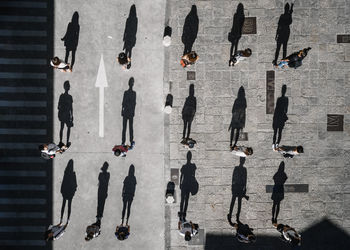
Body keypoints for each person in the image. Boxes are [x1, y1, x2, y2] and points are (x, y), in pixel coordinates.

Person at [228, 157, 249, 223]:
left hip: (238, 187)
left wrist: (244, 187)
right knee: (235, 202)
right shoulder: (240, 169)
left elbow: (244, 179)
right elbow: (233, 178)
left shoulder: (240, 169)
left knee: (236, 202)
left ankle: (234, 216)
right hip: (237, 187)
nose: (243, 161)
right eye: (243, 160)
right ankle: (232, 215)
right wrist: (233, 187)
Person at [272, 85, 288, 151]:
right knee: (280, 132)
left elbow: (276, 109)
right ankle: (277, 144)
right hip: (281, 117)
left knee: (275, 132)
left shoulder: (279, 99)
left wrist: (274, 119)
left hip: (277, 117)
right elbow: (286, 110)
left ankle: (273, 144)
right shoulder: (286, 99)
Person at [58, 81, 73, 148]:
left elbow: (71, 107)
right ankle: (62, 141)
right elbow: (58, 106)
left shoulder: (70, 97)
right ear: (65, 87)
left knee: (66, 128)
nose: (68, 87)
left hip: (66, 114)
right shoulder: (62, 96)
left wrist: (72, 115)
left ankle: (65, 142)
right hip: (64, 114)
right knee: (63, 128)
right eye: (67, 85)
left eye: (68, 85)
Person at [121, 78, 136, 146]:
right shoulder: (134, 93)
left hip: (126, 112)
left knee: (124, 127)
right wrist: (133, 112)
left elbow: (123, 103)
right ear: (133, 84)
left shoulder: (126, 92)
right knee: (130, 127)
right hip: (130, 112)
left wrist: (122, 110)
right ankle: (131, 140)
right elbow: (134, 104)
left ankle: (123, 142)